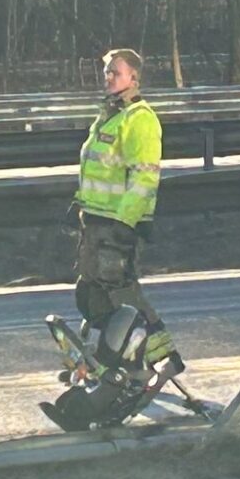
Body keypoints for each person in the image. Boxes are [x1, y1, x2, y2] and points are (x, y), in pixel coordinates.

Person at [72, 48, 177, 373]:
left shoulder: (139, 118)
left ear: (134, 77)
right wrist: (79, 204)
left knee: (120, 292)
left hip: (117, 223)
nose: (107, 77)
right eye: (105, 71)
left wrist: (125, 221)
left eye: (114, 72)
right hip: (95, 219)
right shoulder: (110, 115)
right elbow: (101, 170)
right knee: (90, 292)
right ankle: (112, 356)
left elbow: (145, 176)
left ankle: (163, 359)